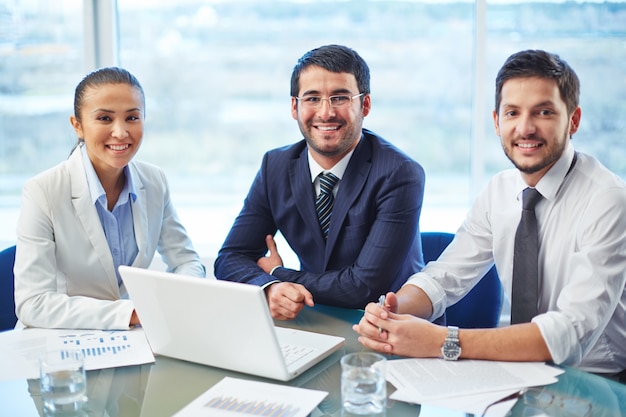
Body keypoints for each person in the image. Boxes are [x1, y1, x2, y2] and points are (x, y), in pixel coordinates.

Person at [354, 49, 626, 379]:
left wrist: (444, 341)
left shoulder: (609, 200)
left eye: (543, 112)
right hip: (520, 376)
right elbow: (444, 276)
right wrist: (391, 310)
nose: (526, 128)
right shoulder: (499, 190)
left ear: (574, 120)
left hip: (599, 382)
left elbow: (569, 333)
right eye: (512, 113)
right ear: (497, 122)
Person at [214, 44, 425, 320]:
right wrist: (268, 288)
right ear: (294, 107)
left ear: (365, 104)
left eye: (340, 98)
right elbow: (229, 258)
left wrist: (278, 274)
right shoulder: (275, 167)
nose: (326, 113)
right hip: (314, 320)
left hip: (389, 329)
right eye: (312, 98)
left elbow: (362, 287)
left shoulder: (399, 174)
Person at [14, 67, 205, 330]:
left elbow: (187, 261)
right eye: (104, 118)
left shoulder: (154, 180)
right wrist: (131, 313)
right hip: (60, 345)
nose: (120, 132)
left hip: (132, 340)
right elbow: (32, 303)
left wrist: (174, 299)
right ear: (77, 125)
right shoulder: (43, 191)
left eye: (132, 118)